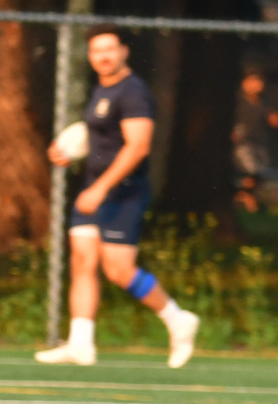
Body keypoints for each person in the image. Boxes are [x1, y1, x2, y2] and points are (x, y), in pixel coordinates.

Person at [37, 24, 200, 369]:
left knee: (119, 270)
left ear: (124, 51)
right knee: (82, 261)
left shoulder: (133, 92)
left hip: (122, 193)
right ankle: (80, 344)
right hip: (92, 190)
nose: (103, 57)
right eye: (97, 51)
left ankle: (177, 319)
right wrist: (66, 151)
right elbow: (97, 138)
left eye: (110, 49)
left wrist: (101, 188)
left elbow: (138, 146)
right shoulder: (102, 90)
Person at [232, 69, 278, 213]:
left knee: (262, 174)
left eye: (259, 81)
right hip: (243, 144)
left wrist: (275, 119)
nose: (256, 85)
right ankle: (249, 203)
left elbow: (273, 118)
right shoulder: (238, 101)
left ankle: (241, 197)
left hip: (259, 143)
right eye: (252, 81)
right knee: (250, 172)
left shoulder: (264, 101)